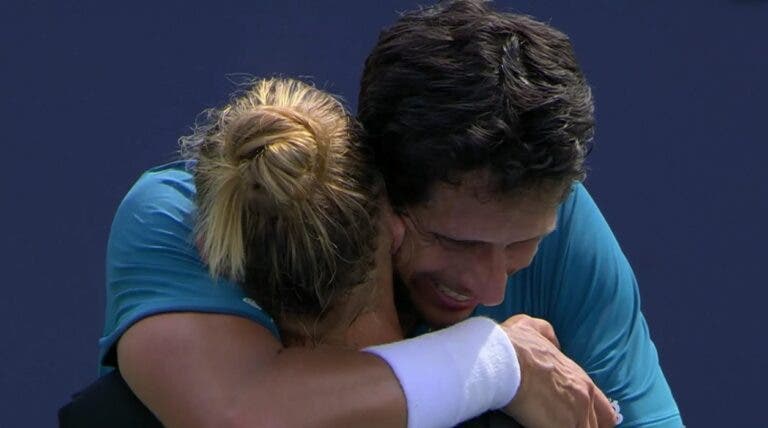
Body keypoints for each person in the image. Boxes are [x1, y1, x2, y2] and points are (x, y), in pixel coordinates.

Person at [95, 1, 680, 427]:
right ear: (381, 195)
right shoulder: (195, 215)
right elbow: (235, 415)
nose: (494, 286)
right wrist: (498, 362)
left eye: (524, 245)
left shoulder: (560, 220)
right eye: (457, 241)